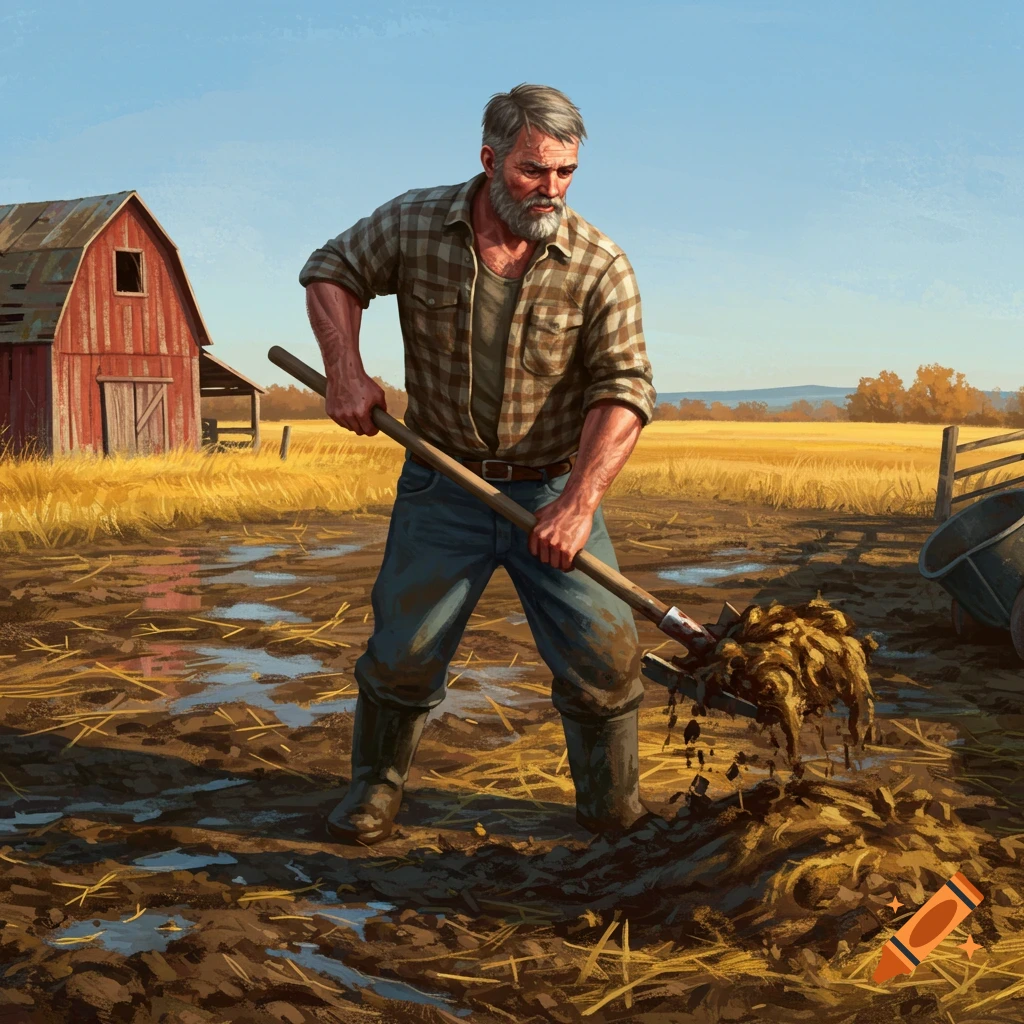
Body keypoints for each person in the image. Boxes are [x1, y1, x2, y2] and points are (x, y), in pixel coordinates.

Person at [300, 83, 656, 845]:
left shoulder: (599, 264)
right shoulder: (416, 223)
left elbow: (624, 389)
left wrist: (580, 502)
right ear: (490, 159)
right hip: (442, 482)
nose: (551, 189)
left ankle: (611, 809)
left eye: (565, 173)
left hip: (553, 491)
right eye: (534, 170)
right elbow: (332, 271)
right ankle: (375, 790)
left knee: (607, 654)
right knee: (403, 651)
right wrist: (345, 369)